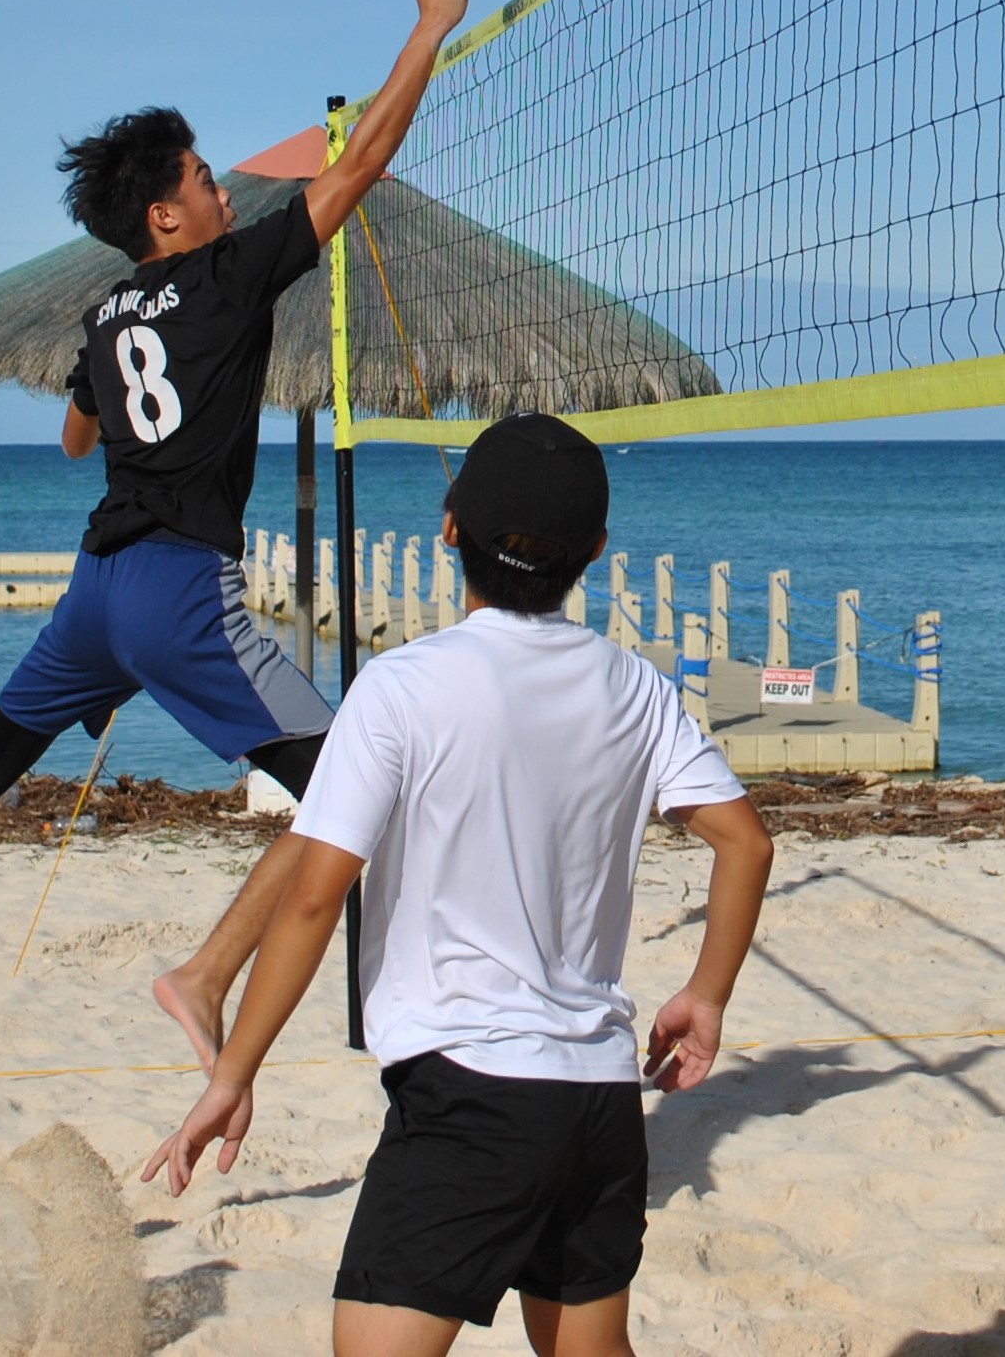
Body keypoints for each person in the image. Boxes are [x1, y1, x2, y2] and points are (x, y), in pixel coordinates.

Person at [0, 0, 470, 994]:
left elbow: (72, 442)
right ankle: (204, 976)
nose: (224, 192)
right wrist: (429, 26)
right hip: (179, 590)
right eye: (204, 180)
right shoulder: (227, 276)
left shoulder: (103, 315)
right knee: (350, 793)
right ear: (165, 216)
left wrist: (120, 398)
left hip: (97, 586)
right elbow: (360, 162)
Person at [143, 413, 775, 1357]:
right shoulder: (635, 686)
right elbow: (746, 844)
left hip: (470, 1092)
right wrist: (706, 994)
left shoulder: (399, 687)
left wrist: (235, 1071)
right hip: (597, 1097)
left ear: (448, 528)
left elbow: (315, 897)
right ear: (595, 552)